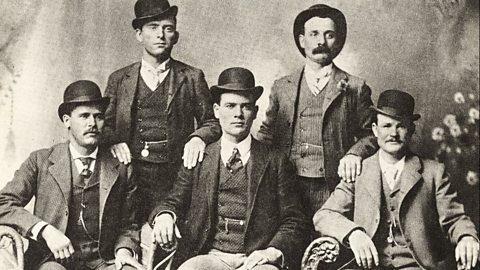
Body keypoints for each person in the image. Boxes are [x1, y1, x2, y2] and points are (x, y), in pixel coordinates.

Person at [150, 67, 308, 270]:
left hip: (255, 259)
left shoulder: (275, 160)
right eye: (230, 106)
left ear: (255, 112)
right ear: (216, 110)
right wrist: (164, 215)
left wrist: (271, 251)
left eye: (246, 107)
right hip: (210, 256)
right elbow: (173, 201)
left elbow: (294, 219)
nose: (238, 114)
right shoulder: (200, 156)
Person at [314, 90, 479, 270]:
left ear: (411, 130)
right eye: (387, 126)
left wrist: (466, 237)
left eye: (401, 126)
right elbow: (324, 215)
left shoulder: (434, 172)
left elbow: (455, 219)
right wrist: (353, 233)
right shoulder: (360, 172)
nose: (393, 133)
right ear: (375, 130)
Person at [255, 4, 377, 239]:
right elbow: (267, 134)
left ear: (338, 41)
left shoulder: (355, 86)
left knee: (327, 249)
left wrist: (354, 154)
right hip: (287, 185)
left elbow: (371, 134)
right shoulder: (283, 87)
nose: (321, 41)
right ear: (302, 41)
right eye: (314, 34)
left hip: (333, 187)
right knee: (288, 243)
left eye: (329, 35)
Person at [0, 80, 142, 270]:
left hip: (103, 262)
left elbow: (129, 225)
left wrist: (124, 251)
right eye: (84, 116)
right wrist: (45, 230)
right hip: (53, 260)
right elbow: (3, 203)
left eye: (98, 117)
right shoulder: (40, 161)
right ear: (67, 120)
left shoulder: (122, 168)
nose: (92, 123)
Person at [103, 0, 221, 223]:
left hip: (176, 178)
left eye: (167, 28)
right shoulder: (119, 80)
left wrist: (198, 138)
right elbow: (104, 125)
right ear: (139, 34)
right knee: (129, 235)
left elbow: (212, 123)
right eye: (153, 27)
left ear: (175, 36)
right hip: (129, 176)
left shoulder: (192, 77)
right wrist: (113, 141)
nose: (161, 35)